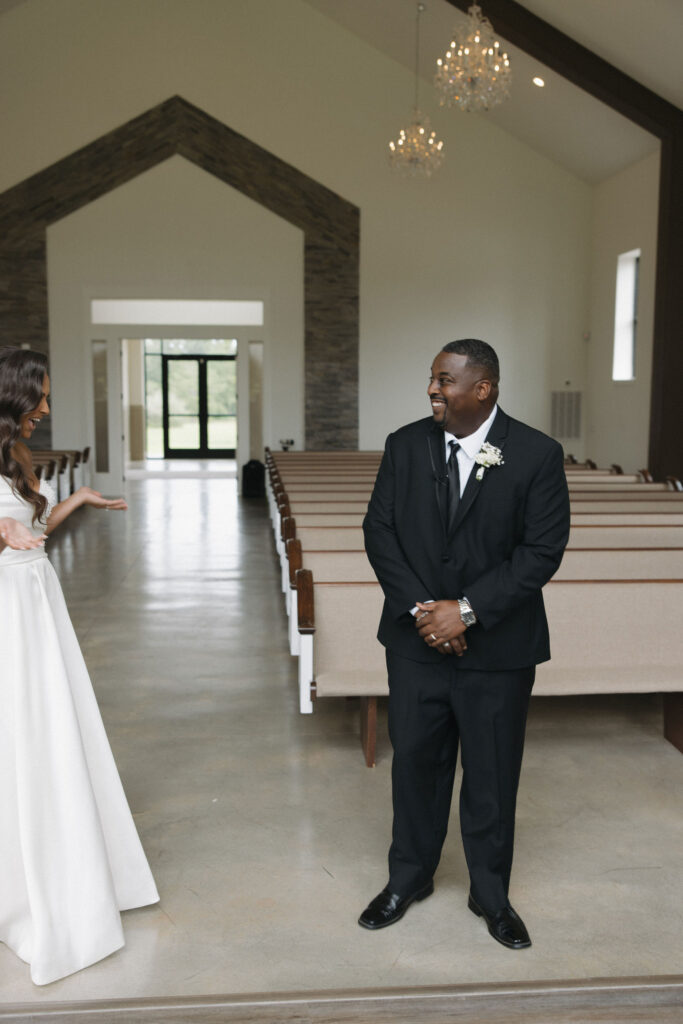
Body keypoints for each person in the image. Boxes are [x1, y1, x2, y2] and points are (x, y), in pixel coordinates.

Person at [359, 338, 570, 949]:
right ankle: (408, 879)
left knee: (492, 773)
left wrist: (468, 611)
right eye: (432, 378)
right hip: (415, 643)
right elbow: (380, 529)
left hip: (499, 649)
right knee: (416, 768)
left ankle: (491, 893)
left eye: (446, 380)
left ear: (484, 389)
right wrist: (426, 612)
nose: (433, 389)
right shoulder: (406, 445)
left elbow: (540, 552)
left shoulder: (535, 453)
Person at [0, 347, 159, 986]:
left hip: (38, 597)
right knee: (19, 727)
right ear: (13, 394)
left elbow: (31, 529)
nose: (45, 407)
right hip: (7, 605)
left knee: (51, 727)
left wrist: (76, 502)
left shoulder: (17, 455)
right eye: (38, 396)